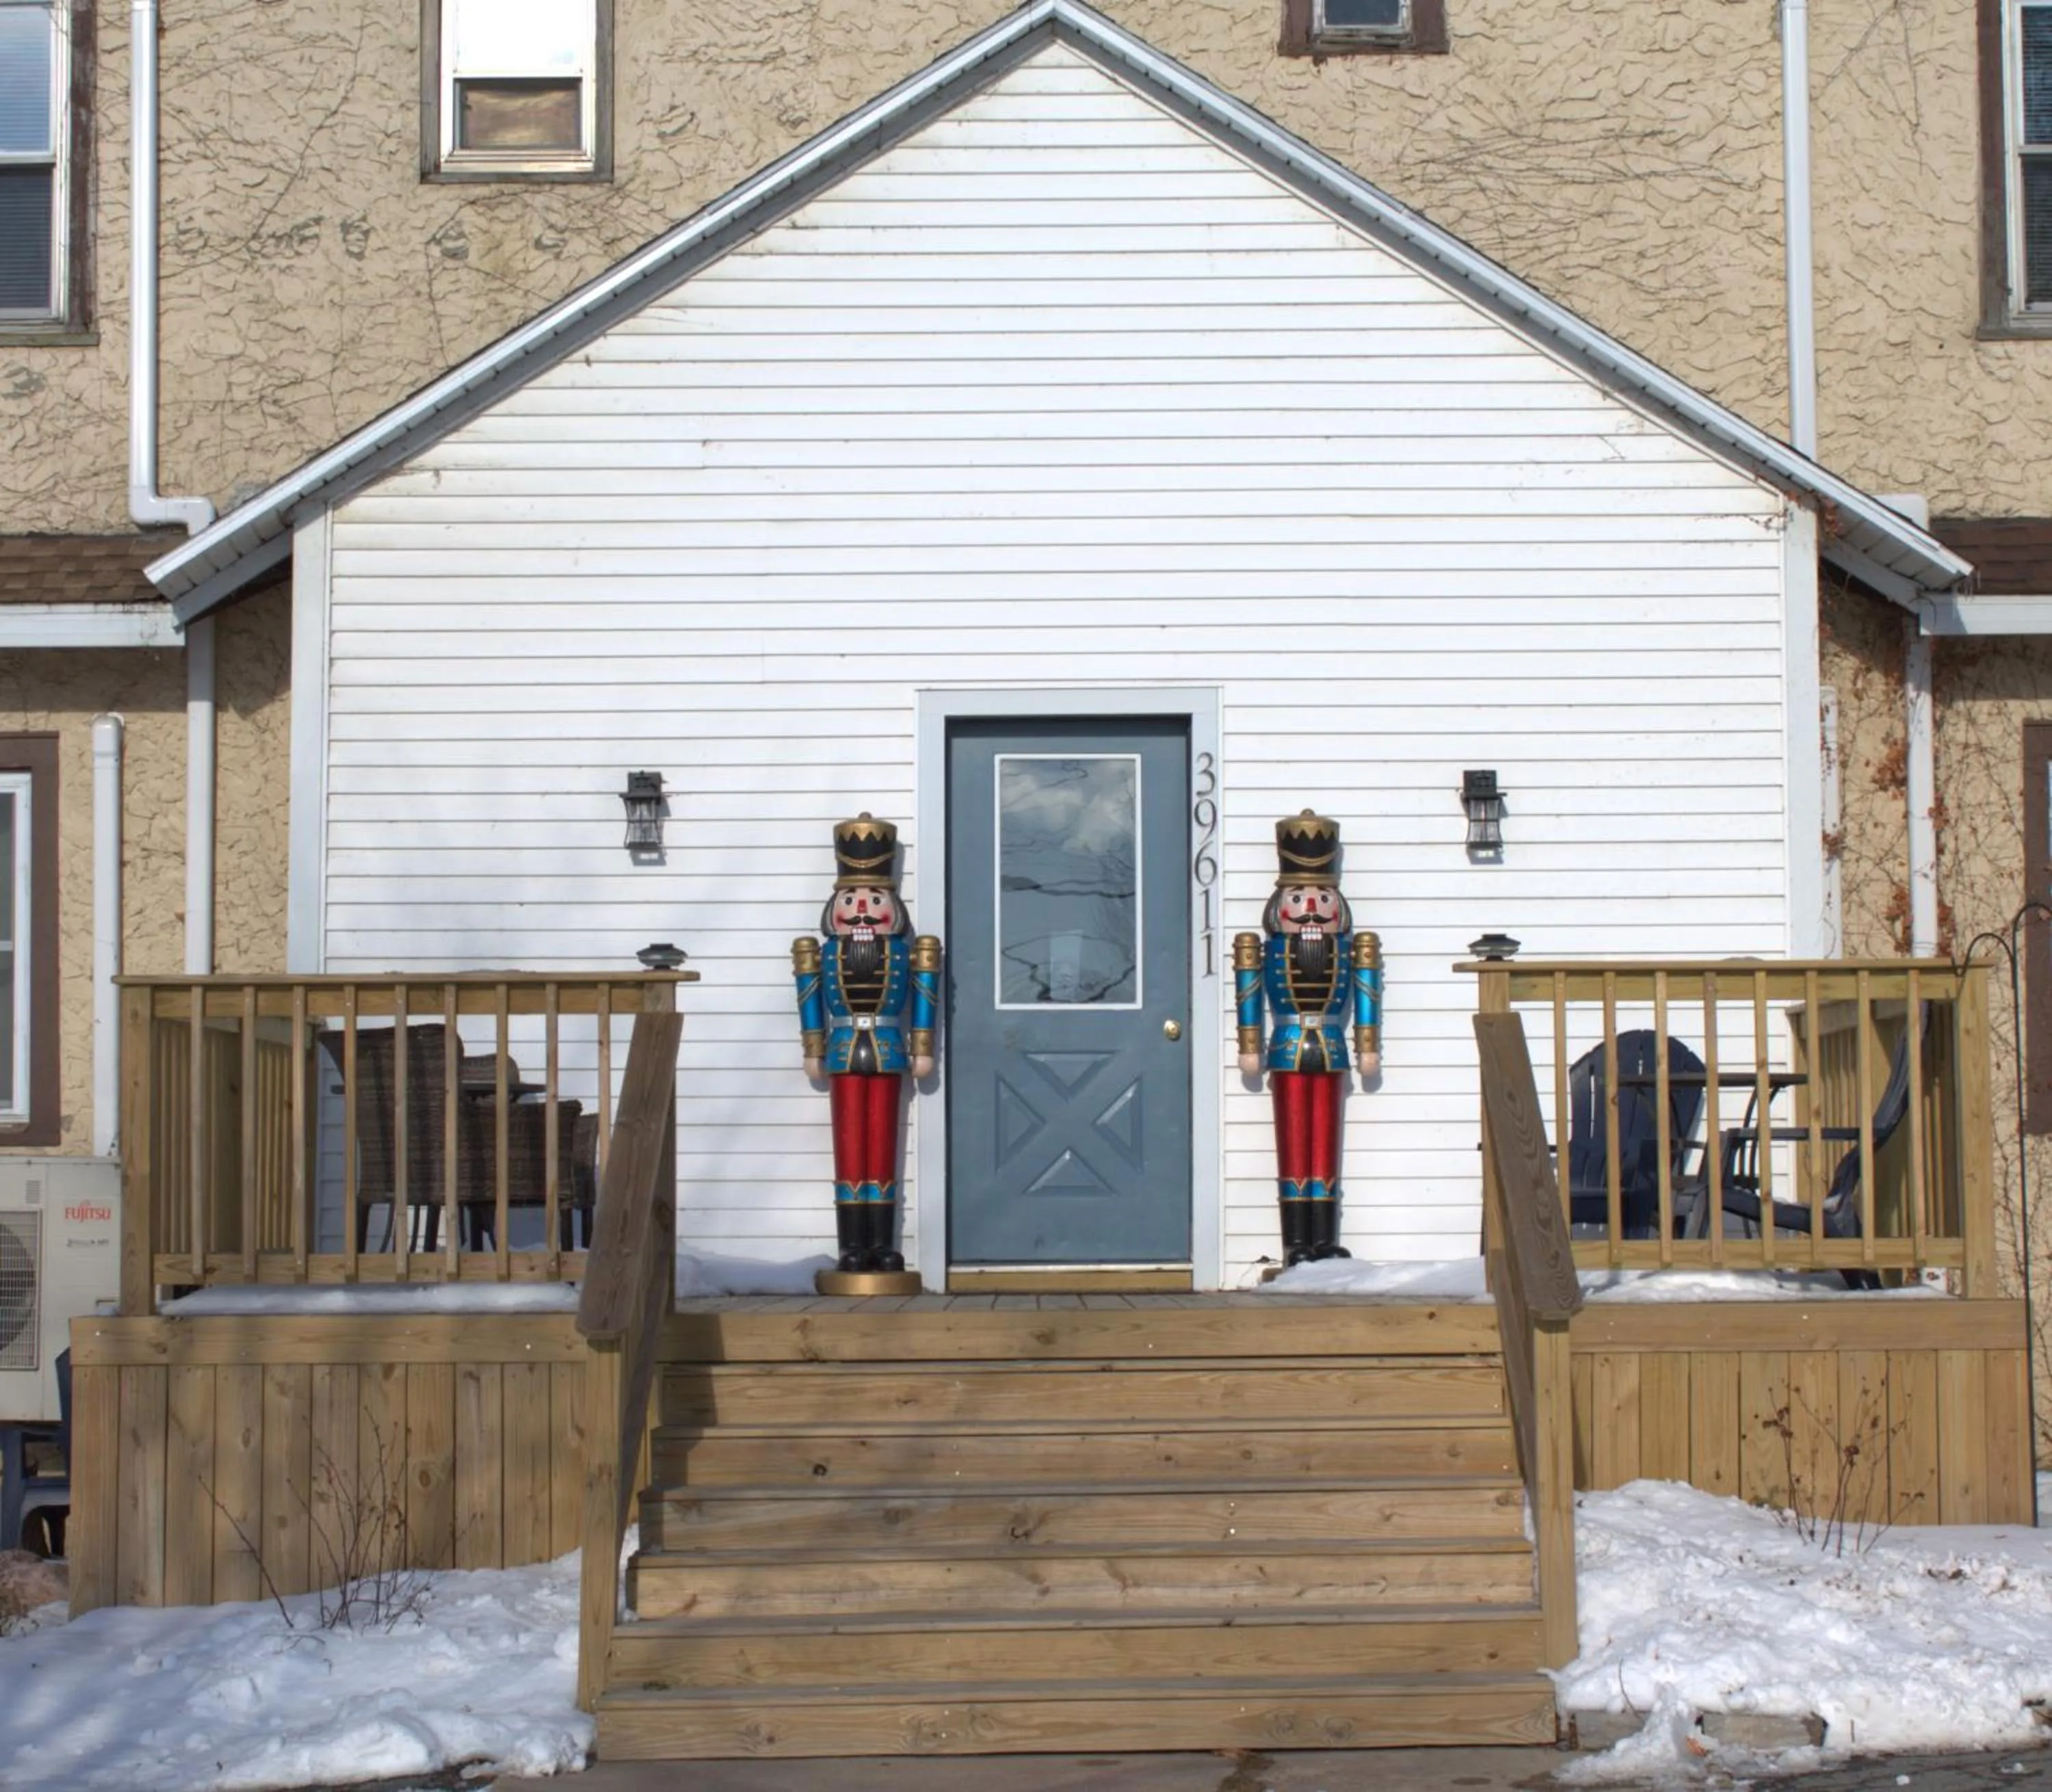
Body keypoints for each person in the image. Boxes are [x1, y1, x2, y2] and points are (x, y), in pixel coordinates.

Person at [1234, 810, 1381, 1267]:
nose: (1312, 908)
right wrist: (1250, 1045)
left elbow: (1365, 991)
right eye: (1299, 897)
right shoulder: (1267, 949)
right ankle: (1295, 1242)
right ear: (1279, 906)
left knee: (1326, 1143)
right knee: (1295, 1140)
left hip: (1332, 1046)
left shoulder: (1352, 948)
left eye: (1322, 897)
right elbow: (1251, 993)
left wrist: (1368, 1045)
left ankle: (1324, 1239)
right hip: (1288, 1044)